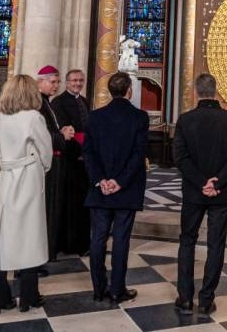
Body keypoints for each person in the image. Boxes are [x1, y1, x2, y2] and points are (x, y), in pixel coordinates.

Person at [172, 73, 227, 316]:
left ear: (196, 91)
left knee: (187, 240)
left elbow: (180, 157)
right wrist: (217, 181)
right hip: (221, 193)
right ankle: (205, 300)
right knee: (216, 244)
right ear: (216, 91)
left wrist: (201, 182)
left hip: (194, 192)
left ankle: (184, 298)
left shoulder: (185, 120)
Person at [0, 74, 52, 315]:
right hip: (27, 178)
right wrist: (41, 167)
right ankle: (29, 296)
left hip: (3, 177)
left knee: (1, 235)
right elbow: (46, 151)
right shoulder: (34, 117)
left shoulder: (0, 117)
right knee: (28, 236)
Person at [82, 72, 149, 304]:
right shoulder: (139, 117)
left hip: (99, 190)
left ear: (110, 90)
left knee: (98, 239)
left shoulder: (95, 117)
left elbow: (88, 153)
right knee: (121, 239)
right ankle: (117, 290)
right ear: (129, 90)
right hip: (126, 190)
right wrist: (119, 181)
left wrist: (101, 180)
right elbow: (138, 155)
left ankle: (98, 289)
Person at [52, 68, 92, 256]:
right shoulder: (59, 102)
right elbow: (64, 132)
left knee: (81, 204)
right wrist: (79, 150)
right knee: (69, 204)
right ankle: (68, 244)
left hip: (83, 161)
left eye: (80, 80)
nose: (77, 83)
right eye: (74, 80)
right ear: (67, 83)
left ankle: (82, 242)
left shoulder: (83, 101)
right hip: (69, 160)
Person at [37, 65, 74, 265]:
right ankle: (45, 252)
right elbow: (40, 137)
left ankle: (51, 249)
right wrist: (62, 136)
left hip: (55, 162)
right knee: (47, 209)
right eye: (52, 82)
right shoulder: (38, 105)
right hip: (47, 167)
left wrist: (61, 132)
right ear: (39, 82)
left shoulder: (47, 103)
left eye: (58, 82)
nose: (56, 86)